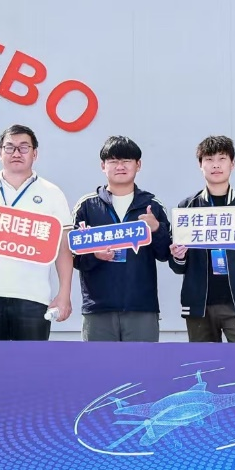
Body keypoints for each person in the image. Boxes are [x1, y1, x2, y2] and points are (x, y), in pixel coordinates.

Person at [0, 124, 74, 340]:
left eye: (24, 147)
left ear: (35, 153)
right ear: (0, 153)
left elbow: (63, 248)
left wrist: (64, 293)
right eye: (9, 147)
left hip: (34, 297)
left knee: (31, 361)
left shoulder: (52, 193)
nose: (16, 153)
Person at [169, 135, 235, 343]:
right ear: (200, 165)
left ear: (232, 164)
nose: (215, 165)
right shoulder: (187, 208)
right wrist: (178, 256)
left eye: (222, 159)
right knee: (203, 362)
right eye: (209, 159)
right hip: (199, 305)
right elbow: (177, 266)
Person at [72, 136, 172, 342]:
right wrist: (94, 255)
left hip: (141, 307)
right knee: (98, 363)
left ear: (138, 165)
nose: (120, 166)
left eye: (127, 161)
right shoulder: (87, 206)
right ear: (103, 166)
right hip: (98, 308)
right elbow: (73, 256)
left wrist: (156, 229)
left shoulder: (151, 205)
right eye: (113, 161)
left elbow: (165, 254)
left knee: (142, 363)